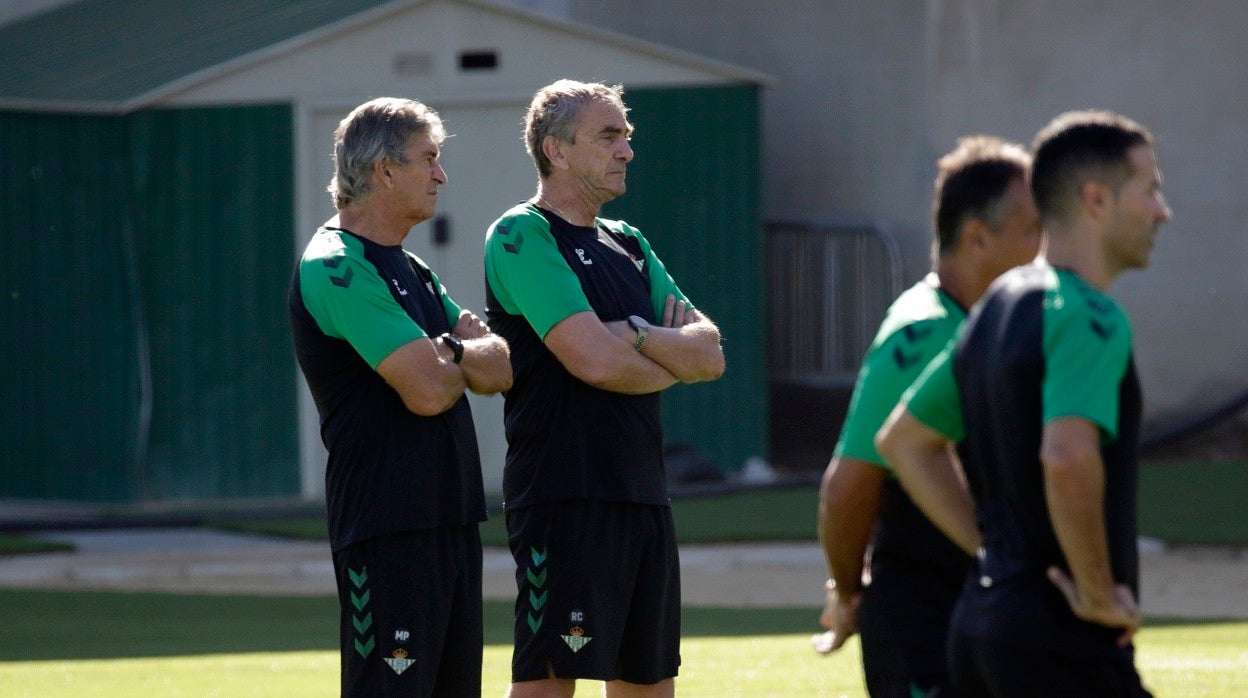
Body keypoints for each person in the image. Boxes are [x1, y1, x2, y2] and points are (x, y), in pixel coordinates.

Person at [876, 110, 1171, 696]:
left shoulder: (994, 306)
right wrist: (1094, 592)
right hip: (1061, 639)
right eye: (1151, 189)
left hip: (979, 629)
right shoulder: (1088, 316)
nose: (1163, 210)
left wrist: (994, 552)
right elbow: (1065, 457)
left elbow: (905, 442)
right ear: (1096, 200)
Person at [483, 79, 725, 697]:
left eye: (628, 137)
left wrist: (634, 333)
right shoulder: (521, 234)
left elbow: (711, 353)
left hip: (642, 492)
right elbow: (592, 360)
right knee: (549, 682)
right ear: (556, 151)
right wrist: (665, 353)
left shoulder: (630, 243)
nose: (627, 151)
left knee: (648, 682)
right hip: (566, 493)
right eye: (608, 136)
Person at [287, 97, 512, 697]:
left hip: (451, 516)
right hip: (387, 524)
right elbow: (429, 391)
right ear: (385, 171)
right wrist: (458, 350)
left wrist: (453, 352)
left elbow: (500, 369)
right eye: (429, 159)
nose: (441, 175)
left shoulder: (411, 266)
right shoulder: (336, 265)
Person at [814, 136, 1042, 697]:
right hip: (929, 627)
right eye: (1031, 227)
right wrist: (849, 593)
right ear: (977, 236)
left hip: (993, 613)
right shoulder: (924, 333)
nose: (1045, 246)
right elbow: (848, 488)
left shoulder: (993, 323)